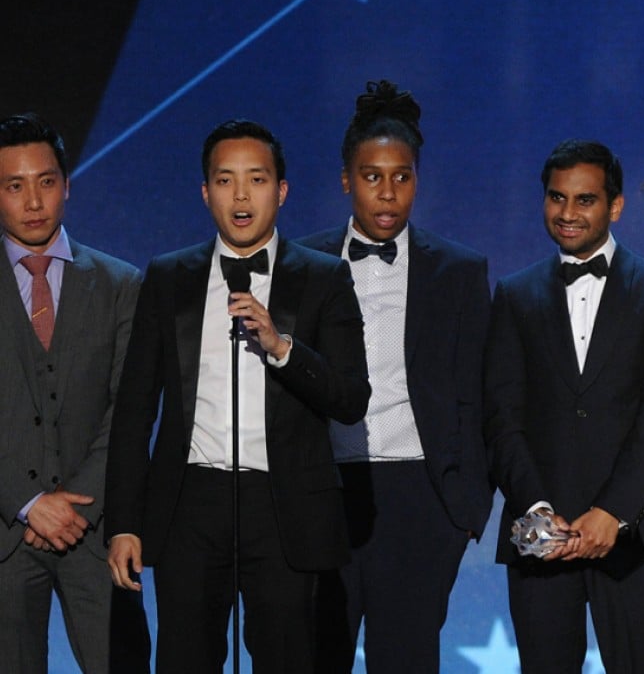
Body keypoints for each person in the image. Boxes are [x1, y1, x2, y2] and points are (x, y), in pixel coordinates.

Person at [104, 119, 370, 672]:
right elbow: (133, 412)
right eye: (225, 181)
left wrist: (281, 347)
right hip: (190, 507)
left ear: (282, 190)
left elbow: (350, 398)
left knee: (287, 658)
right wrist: (125, 522)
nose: (242, 195)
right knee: (185, 658)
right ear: (206, 192)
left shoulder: (324, 278)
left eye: (257, 179)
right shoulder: (169, 276)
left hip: (285, 506)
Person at [299, 80, 492, 673]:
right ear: (345, 179)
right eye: (371, 175)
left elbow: (475, 394)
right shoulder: (301, 265)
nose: (387, 192)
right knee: (315, 657)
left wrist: (462, 511)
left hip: (419, 498)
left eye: (401, 176)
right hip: (325, 493)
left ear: (417, 179)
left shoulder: (458, 271)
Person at [485, 139, 644, 674]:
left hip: (630, 535)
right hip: (542, 540)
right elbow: (502, 417)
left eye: (585, 200)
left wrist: (613, 513)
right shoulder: (514, 294)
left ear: (614, 206)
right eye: (557, 198)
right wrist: (537, 511)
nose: (568, 213)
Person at [0, 112, 148, 674]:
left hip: (100, 535)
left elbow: (129, 412)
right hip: (7, 536)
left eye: (46, 182)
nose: (33, 201)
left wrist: (74, 505)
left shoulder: (120, 285)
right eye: (15, 186)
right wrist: (29, 502)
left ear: (67, 185)